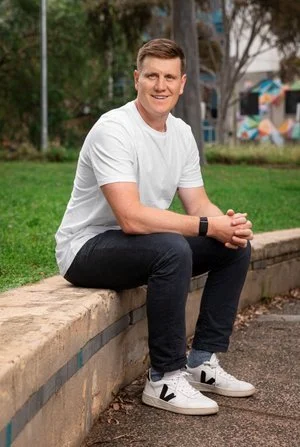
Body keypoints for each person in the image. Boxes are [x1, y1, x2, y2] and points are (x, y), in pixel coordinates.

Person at [55, 38, 255, 416]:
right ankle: (164, 378)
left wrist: (228, 225)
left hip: (142, 245)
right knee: (172, 247)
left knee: (234, 247)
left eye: (169, 77)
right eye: (151, 76)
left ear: (181, 84)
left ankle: (201, 362)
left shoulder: (180, 133)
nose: (159, 85)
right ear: (136, 79)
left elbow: (199, 204)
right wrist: (204, 225)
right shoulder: (113, 129)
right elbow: (130, 217)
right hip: (86, 249)